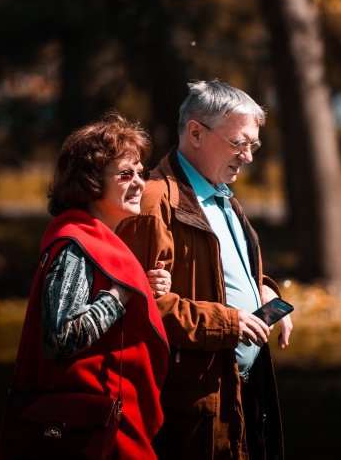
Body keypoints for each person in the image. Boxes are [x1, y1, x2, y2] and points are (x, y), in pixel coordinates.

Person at [118, 81, 291, 460]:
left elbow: (218, 272)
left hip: (237, 391)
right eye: (238, 143)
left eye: (253, 145)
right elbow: (138, 308)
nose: (248, 157)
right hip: (192, 408)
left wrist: (263, 290)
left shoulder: (220, 192)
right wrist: (230, 322)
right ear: (195, 133)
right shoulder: (154, 202)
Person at [0, 114, 171, 460]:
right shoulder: (76, 244)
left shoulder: (99, 240)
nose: (140, 183)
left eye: (142, 172)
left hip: (102, 423)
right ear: (90, 181)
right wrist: (123, 292)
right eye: (126, 174)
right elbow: (60, 338)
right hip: (85, 432)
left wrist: (142, 288)